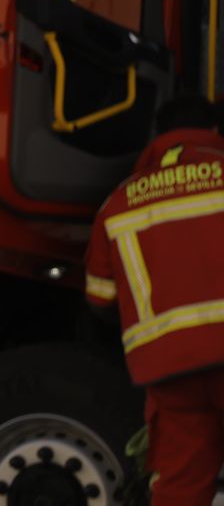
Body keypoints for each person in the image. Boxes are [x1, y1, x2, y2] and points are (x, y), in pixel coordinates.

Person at [86, 94, 224, 506]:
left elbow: (99, 296)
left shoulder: (118, 202)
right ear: (214, 132)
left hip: (171, 371)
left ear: (158, 137)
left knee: (180, 487)